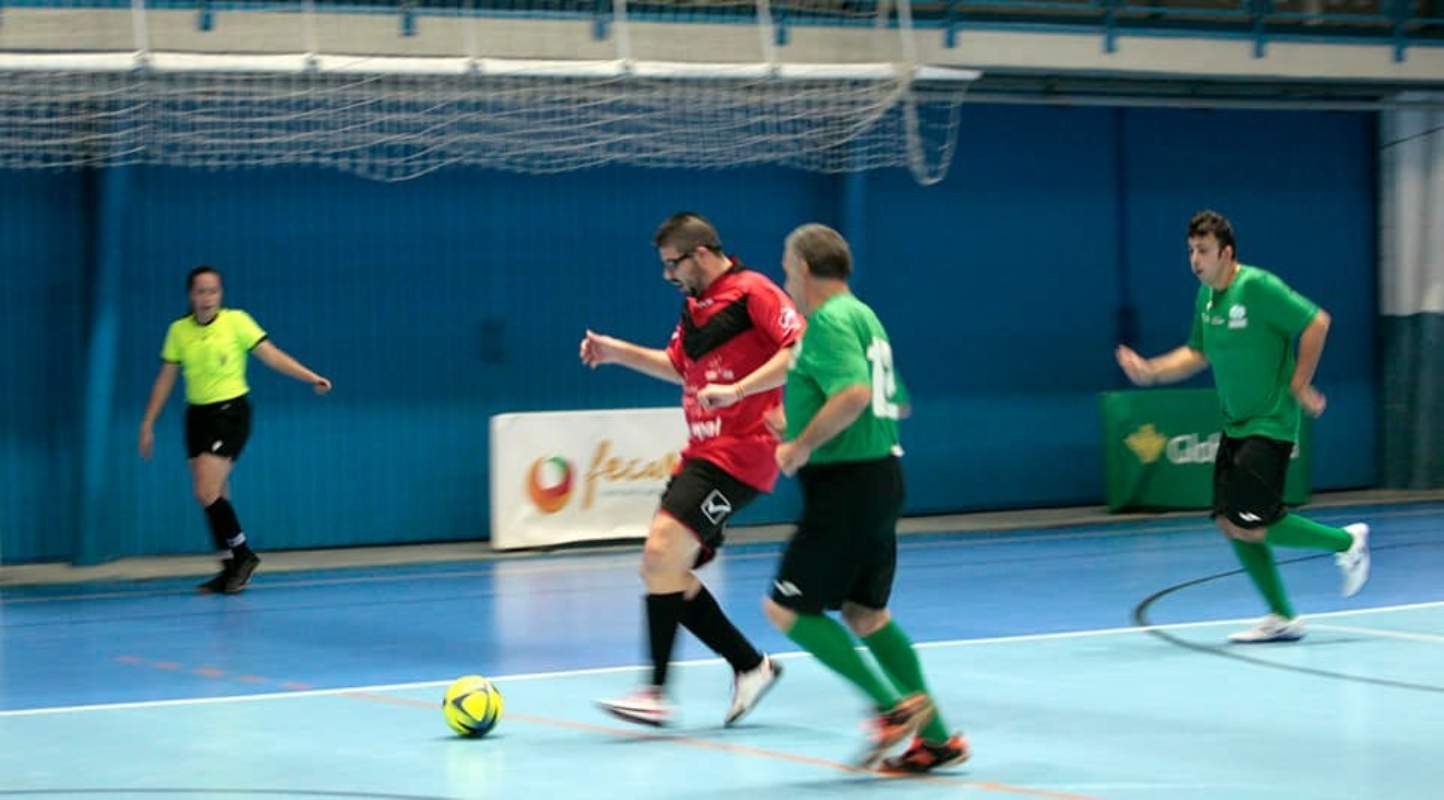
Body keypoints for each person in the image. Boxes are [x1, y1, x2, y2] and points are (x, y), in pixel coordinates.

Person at [580, 212, 799, 726]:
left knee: (661, 553)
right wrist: (616, 353)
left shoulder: (754, 293)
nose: (667, 275)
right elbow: (678, 367)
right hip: (702, 452)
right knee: (663, 567)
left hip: (744, 452)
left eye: (672, 263)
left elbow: (800, 349)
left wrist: (741, 389)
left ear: (700, 253)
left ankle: (655, 693)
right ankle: (750, 666)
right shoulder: (695, 308)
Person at [765, 223, 967, 773]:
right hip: (879, 478)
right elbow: (893, 401)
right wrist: (801, 416)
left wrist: (797, 446)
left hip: (845, 485)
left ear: (805, 268)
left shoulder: (828, 321)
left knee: (786, 608)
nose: (786, 276)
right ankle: (940, 738)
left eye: (787, 267)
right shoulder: (864, 315)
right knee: (864, 612)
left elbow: (854, 395)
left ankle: (891, 709)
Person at [1115, 210, 1370, 643]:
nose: (1195, 260)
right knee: (1228, 521)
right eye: (1191, 251)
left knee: (1253, 521)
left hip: (1270, 423)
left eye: (1203, 251)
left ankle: (1347, 544)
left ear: (1226, 253)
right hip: (1235, 426)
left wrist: (1300, 382)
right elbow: (1197, 353)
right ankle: (1282, 615)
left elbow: (1316, 322)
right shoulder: (1207, 299)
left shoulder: (1256, 287)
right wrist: (1152, 371)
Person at [138, 266, 332, 594]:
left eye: (213, 291)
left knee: (206, 490)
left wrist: (310, 376)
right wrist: (147, 422)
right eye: (201, 291)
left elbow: (271, 356)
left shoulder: (237, 322)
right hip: (196, 416)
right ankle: (230, 569)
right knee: (215, 494)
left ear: (220, 294)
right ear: (191, 295)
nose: (207, 297)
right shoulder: (178, 331)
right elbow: (166, 379)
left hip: (230, 412)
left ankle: (243, 554)